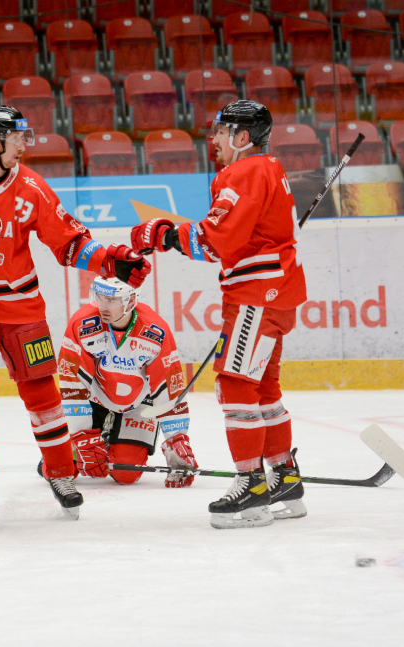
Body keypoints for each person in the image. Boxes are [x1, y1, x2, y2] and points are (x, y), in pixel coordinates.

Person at [0, 105, 151, 527]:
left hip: (19, 302)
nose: (24, 145)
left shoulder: (31, 186)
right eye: (16, 137)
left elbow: (66, 241)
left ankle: (62, 475)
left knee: (42, 393)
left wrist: (109, 262)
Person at [131, 100, 307, 529]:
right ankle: (284, 477)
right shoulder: (270, 169)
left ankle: (251, 486)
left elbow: (217, 241)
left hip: (255, 297)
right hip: (276, 294)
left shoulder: (244, 171)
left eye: (221, 131)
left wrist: (163, 233)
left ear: (243, 138)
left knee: (235, 385)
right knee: (264, 387)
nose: (213, 138)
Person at [55, 276, 197, 487]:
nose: (103, 306)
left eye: (111, 300)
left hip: (138, 403)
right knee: (62, 468)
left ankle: (109, 439)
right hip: (94, 400)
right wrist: (83, 438)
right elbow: (72, 386)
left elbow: (168, 388)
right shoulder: (82, 324)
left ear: (131, 301)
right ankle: (93, 438)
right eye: (99, 298)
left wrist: (176, 440)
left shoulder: (155, 332)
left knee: (125, 473)